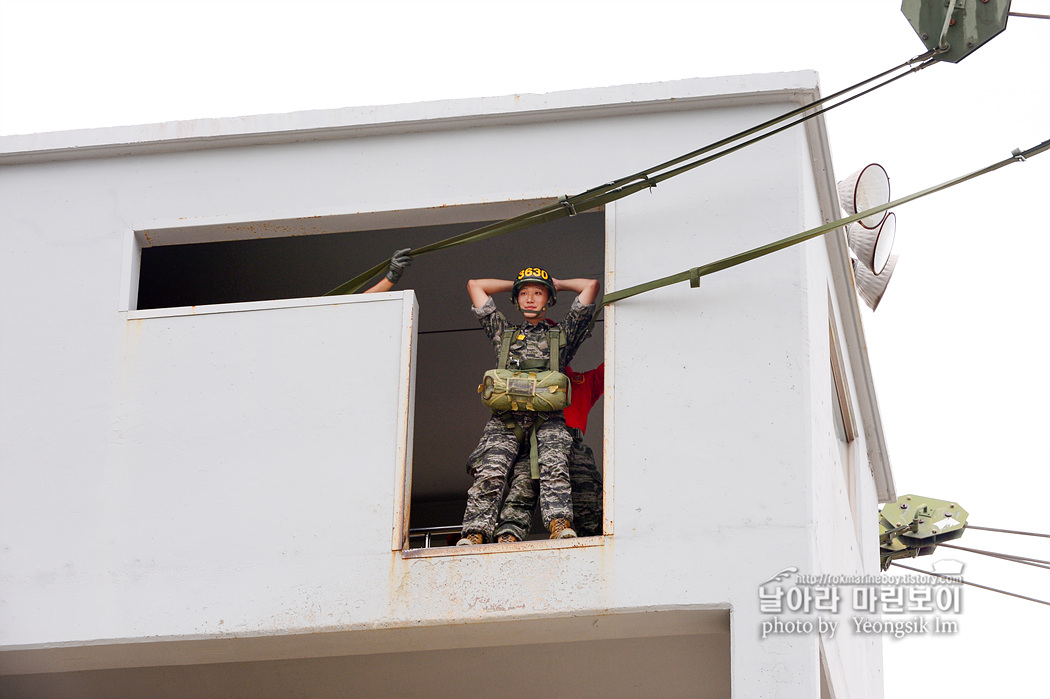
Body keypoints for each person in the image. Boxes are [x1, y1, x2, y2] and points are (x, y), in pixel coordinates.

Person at [457, 268, 599, 545]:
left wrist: (555, 282)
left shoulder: (561, 334)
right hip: (506, 419)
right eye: (523, 294)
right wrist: (518, 282)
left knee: (554, 469)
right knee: (490, 473)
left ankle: (560, 524)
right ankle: (475, 532)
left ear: (549, 299)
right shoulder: (504, 333)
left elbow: (590, 287)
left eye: (537, 292)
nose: (530, 298)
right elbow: (475, 284)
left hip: (548, 419)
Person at [494, 362, 604, 542]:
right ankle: (509, 536)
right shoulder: (529, 379)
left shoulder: (580, 381)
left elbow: (613, 366)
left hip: (572, 445)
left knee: (588, 500)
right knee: (522, 490)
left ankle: (594, 546)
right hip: (534, 443)